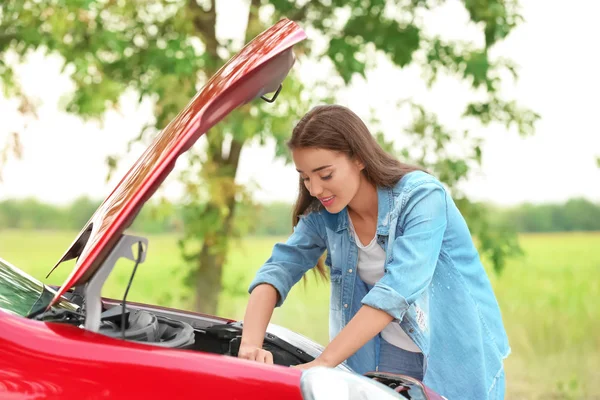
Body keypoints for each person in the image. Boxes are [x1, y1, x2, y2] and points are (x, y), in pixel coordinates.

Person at [238, 104, 509, 400]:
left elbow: (396, 290)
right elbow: (279, 268)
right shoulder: (324, 215)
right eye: (305, 177)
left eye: (325, 174)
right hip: (386, 354)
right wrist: (250, 343)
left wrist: (323, 364)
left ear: (359, 159)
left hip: (455, 354)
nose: (314, 189)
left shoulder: (421, 197)